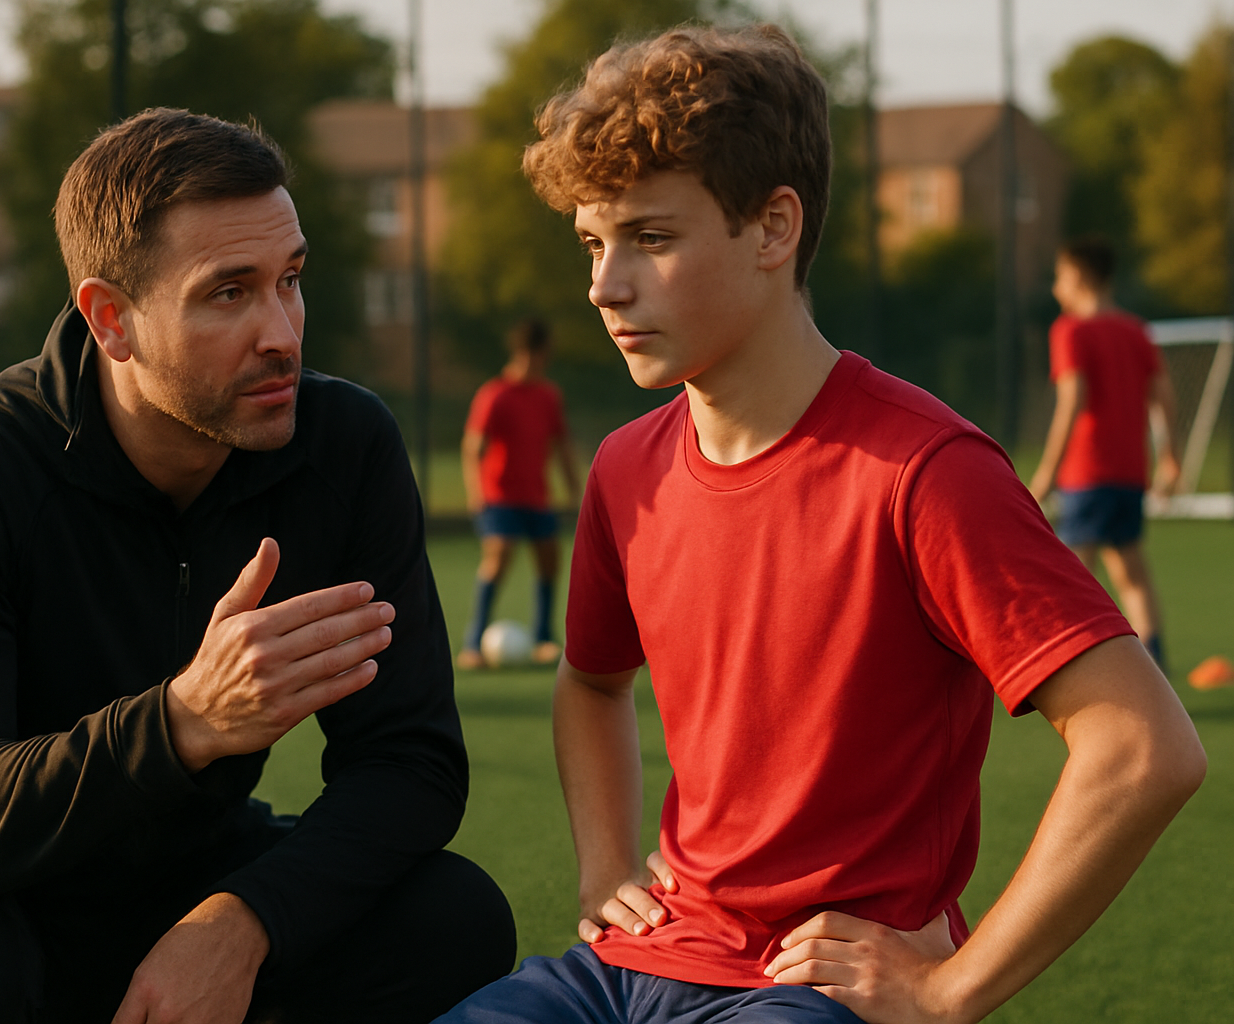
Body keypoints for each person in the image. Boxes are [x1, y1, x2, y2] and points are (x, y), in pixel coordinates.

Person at [436, 24, 1204, 1024]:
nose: (604, 284)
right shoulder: (627, 469)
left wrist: (950, 990)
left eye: (651, 238)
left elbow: (1144, 746)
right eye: (594, 241)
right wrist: (604, 865)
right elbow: (589, 680)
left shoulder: (925, 472)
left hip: (808, 987)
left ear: (773, 228)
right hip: (630, 960)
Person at [0, 109, 515, 1024]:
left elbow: (411, 764)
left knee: (453, 918)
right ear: (113, 319)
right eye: (230, 293)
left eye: (290, 281)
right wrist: (183, 723)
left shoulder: (345, 448)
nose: (283, 333)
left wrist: (245, 920)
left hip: (192, 866)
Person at [1029, 236, 1180, 668]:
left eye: (1059, 277)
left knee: (1071, 576)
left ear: (1077, 278)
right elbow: (1163, 395)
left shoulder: (1070, 331)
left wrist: (1047, 472)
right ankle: (1155, 662)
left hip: (1087, 473)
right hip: (1130, 472)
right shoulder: (1135, 330)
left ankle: (1061, 668)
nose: (1057, 288)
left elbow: (1072, 399)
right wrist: (1171, 455)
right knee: (1131, 571)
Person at [458, 319, 581, 669]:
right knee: (499, 557)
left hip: (536, 497)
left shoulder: (548, 396)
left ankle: (543, 639)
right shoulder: (495, 394)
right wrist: (475, 492)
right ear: (520, 353)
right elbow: (473, 447)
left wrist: (574, 489)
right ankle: (473, 643)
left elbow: (562, 447)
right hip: (499, 497)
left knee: (550, 560)